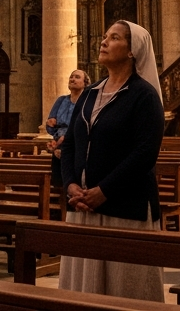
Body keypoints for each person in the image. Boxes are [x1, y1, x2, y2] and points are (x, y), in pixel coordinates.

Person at [58, 22, 165, 302]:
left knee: (126, 291)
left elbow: (145, 153)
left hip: (126, 208)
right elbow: (70, 143)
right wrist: (70, 184)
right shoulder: (90, 93)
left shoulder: (144, 95)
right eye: (104, 36)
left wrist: (103, 190)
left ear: (132, 51)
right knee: (82, 293)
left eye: (114, 38)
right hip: (83, 207)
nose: (103, 42)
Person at [46, 69, 89, 188]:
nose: (72, 79)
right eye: (71, 77)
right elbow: (50, 126)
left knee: (75, 184)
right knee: (59, 183)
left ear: (85, 83)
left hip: (77, 147)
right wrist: (53, 130)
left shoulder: (87, 101)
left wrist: (65, 138)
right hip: (59, 148)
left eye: (77, 77)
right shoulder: (61, 100)